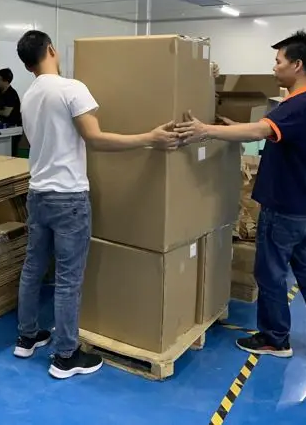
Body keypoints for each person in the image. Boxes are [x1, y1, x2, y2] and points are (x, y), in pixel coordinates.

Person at [13, 30, 181, 379]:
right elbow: (95, 138)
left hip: (38, 193)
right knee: (68, 279)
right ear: (51, 50)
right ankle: (66, 356)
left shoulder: (28, 96)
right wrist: (150, 139)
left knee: (33, 268)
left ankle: (27, 337)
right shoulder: (71, 88)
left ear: (27, 64)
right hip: (68, 197)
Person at [176, 30, 306, 360]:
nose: (274, 67)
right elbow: (269, 134)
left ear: (297, 65)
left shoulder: (298, 104)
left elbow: (260, 129)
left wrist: (205, 130)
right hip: (305, 207)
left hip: (283, 207)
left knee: (270, 273)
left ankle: (275, 339)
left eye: (279, 61)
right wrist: (230, 126)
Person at [0, 68, 23, 156]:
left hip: (14, 127)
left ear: (6, 81)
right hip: (4, 125)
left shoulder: (11, 94)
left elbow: (6, 113)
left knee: (12, 152)